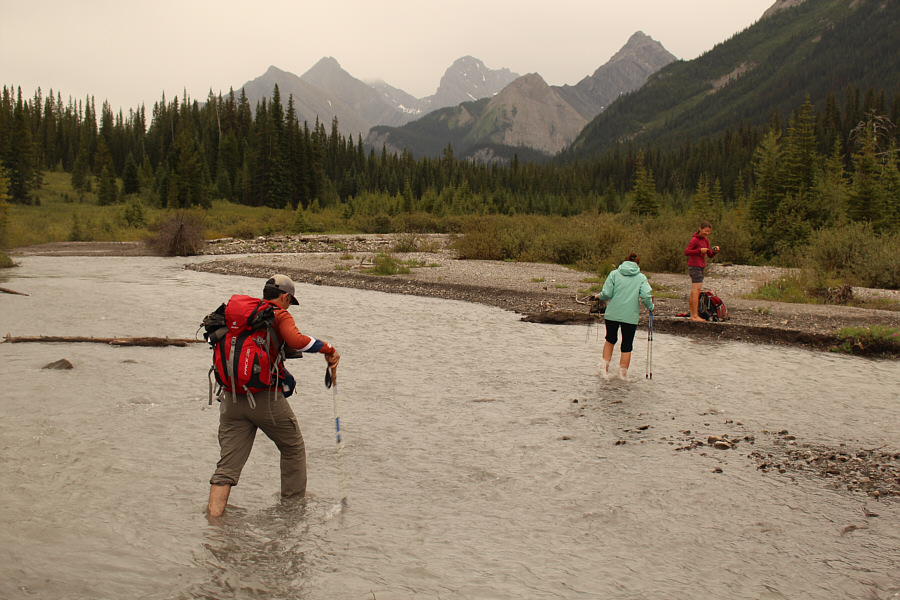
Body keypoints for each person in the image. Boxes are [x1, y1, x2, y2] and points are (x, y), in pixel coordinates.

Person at [208, 274, 340, 518]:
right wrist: (328, 348)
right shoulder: (278, 314)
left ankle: (214, 523)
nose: (289, 306)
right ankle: (291, 514)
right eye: (290, 301)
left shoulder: (244, 318)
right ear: (285, 297)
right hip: (265, 399)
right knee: (292, 448)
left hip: (231, 398)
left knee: (226, 467)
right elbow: (297, 341)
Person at [594, 253, 654, 379]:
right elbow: (646, 296)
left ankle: (603, 372)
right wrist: (651, 307)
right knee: (627, 345)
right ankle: (622, 376)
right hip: (630, 317)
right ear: (638, 265)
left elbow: (606, 293)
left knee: (610, 340)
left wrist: (597, 296)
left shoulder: (614, 274)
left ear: (624, 262)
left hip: (612, 314)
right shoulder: (641, 277)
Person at [684, 221, 720, 322]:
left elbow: (710, 255)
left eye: (709, 232)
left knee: (695, 290)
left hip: (701, 266)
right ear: (700, 229)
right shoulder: (694, 240)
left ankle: (693, 314)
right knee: (696, 290)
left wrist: (715, 252)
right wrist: (699, 250)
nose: (707, 233)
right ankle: (694, 315)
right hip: (694, 266)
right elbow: (687, 252)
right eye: (705, 231)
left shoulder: (706, 240)